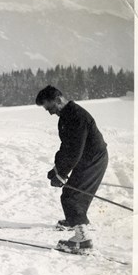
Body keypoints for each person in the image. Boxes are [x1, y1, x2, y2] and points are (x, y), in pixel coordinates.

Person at [35, 85, 108, 252]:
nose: (50, 112)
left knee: (71, 195)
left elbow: (75, 150)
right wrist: (57, 168)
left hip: (94, 159)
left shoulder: (76, 117)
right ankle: (74, 220)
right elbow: (66, 147)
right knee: (75, 192)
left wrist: (62, 175)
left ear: (59, 100)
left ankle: (82, 240)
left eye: (50, 107)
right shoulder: (65, 117)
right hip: (86, 157)